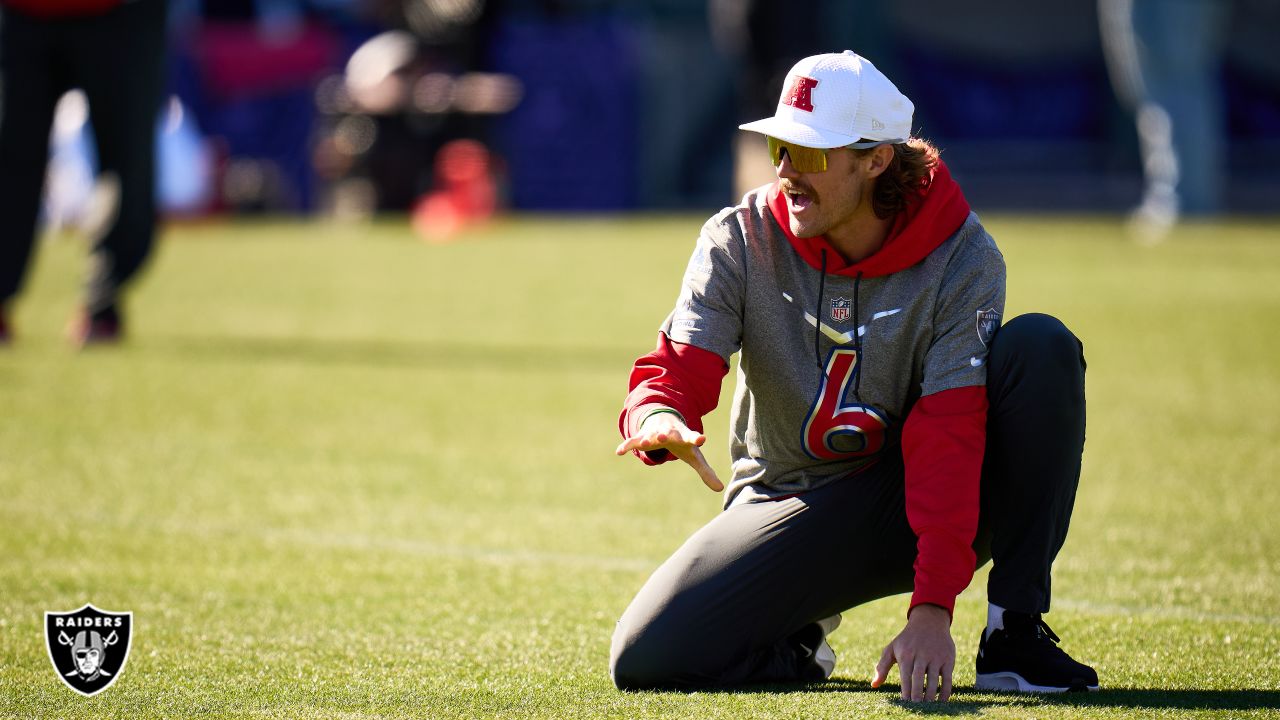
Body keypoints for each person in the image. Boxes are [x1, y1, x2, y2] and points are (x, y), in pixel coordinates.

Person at [610, 51, 1098, 702]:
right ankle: (793, 643)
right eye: (779, 147)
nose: (784, 170)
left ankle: (1015, 634)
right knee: (644, 656)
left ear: (875, 160)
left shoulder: (963, 257)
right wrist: (657, 414)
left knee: (1040, 349)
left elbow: (949, 434)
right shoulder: (737, 238)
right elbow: (679, 367)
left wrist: (932, 610)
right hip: (786, 502)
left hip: (916, 496)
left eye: (809, 153)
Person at [0, 0, 169, 345]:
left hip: (120, 11)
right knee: (9, 152)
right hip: (18, 11)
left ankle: (102, 302)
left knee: (127, 156)